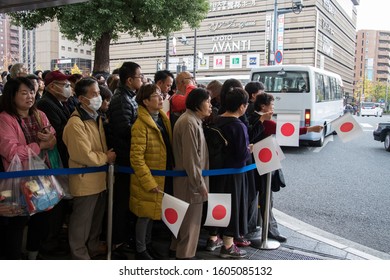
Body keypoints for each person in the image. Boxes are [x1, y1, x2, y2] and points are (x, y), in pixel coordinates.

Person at [249, 92, 323, 243]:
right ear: (263, 106)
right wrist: (310, 129)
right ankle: (270, 230)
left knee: (254, 196)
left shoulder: (252, 116)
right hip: (264, 162)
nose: (274, 107)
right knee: (266, 197)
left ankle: (252, 227)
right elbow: (287, 131)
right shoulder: (265, 122)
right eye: (272, 104)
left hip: (254, 162)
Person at [0, 77, 56, 259]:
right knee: (16, 223)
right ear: (12, 96)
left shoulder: (39, 114)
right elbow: (12, 153)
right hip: (18, 180)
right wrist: (40, 145)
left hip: (41, 177)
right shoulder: (5, 119)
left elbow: (52, 136)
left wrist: (49, 139)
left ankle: (33, 254)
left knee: (41, 219)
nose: (30, 96)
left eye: (32, 92)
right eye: (24, 93)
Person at [62, 77, 116, 259]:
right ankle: (79, 254)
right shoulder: (75, 123)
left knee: (96, 219)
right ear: (81, 98)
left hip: (99, 178)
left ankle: (92, 246)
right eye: (94, 94)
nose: (98, 97)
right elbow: (83, 155)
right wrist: (106, 157)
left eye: (99, 93)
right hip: (85, 180)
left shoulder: (95, 117)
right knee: (81, 222)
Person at [130, 84, 173, 260]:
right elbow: (136, 158)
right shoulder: (140, 125)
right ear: (146, 101)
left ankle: (147, 245)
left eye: (161, 94)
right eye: (156, 95)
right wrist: (149, 181)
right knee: (144, 215)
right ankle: (140, 250)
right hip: (148, 179)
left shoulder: (161, 118)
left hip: (160, 175)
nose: (161, 97)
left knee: (151, 213)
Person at [170, 88, 211, 259]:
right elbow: (191, 158)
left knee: (185, 222)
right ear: (197, 103)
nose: (210, 105)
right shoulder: (189, 122)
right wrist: (199, 184)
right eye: (207, 101)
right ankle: (185, 257)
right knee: (189, 225)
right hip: (189, 183)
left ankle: (178, 251)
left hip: (189, 180)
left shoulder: (192, 120)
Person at [212, 87, 253, 258]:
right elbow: (241, 154)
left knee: (218, 205)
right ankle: (228, 246)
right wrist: (249, 149)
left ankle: (214, 238)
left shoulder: (215, 120)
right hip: (233, 174)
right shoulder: (238, 125)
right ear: (242, 107)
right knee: (233, 207)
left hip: (215, 172)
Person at [107, 61, 143, 252]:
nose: (142, 80)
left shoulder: (129, 97)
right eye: (140, 77)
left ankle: (124, 237)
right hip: (123, 158)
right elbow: (124, 130)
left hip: (128, 156)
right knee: (121, 201)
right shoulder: (121, 99)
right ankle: (118, 241)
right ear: (129, 80)